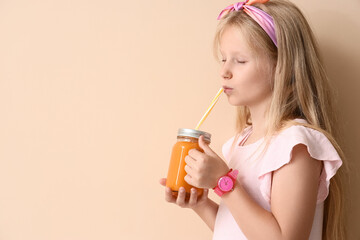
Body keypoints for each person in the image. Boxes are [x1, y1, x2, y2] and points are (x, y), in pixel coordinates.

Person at [159, 0, 346, 239]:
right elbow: (237, 229)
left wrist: (223, 183)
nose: (224, 71)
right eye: (223, 58)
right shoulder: (239, 143)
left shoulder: (295, 145)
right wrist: (200, 204)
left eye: (240, 60)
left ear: (284, 69)